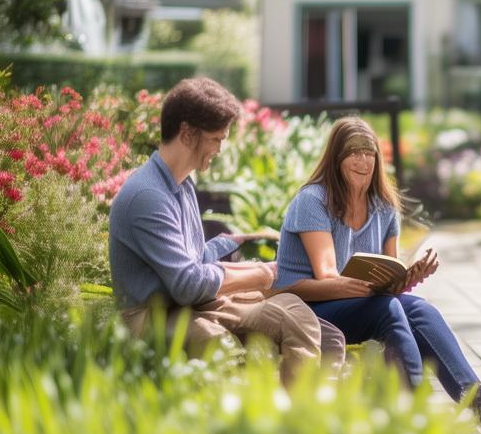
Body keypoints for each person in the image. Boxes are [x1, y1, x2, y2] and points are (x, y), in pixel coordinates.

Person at [274, 117, 481, 434]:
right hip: (308, 306)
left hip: (360, 302)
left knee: (420, 309)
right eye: (353, 153)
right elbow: (327, 276)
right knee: (388, 308)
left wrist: (408, 276)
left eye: (369, 153)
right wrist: (378, 289)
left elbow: (389, 271)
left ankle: (479, 401)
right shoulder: (313, 201)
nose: (362, 160)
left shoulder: (384, 206)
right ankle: (415, 414)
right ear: (336, 159)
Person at [109, 78, 324, 386]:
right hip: (151, 314)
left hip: (189, 303)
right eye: (216, 139)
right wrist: (260, 276)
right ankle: (239, 410)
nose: (220, 149)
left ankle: (300, 405)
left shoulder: (181, 184)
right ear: (187, 133)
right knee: (218, 344)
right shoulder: (147, 196)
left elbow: (195, 259)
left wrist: (251, 261)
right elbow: (187, 283)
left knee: (295, 314)